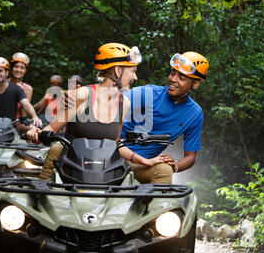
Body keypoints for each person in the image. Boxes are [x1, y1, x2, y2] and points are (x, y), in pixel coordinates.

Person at [26, 42, 164, 180]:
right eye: (133, 71)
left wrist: (143, 160)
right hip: (69, 172)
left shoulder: (125, 104)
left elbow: (115, 145)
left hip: (104, 174)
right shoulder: (83, 95)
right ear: (118, 70)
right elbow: (51, 128)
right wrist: (36, 134)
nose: (135, 78)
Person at [119, 51, 209, 184]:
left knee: (165, 170)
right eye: (173, 73)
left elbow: (190, 156)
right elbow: (113, 101)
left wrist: (175, 166)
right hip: (115, 155)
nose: (173, 79)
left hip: (143, 165)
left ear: (195, 84)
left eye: (182, 77)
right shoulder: (148, 94)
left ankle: (159, 204)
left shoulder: (194, 113)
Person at [8, 52, 35, 134]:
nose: (19, 70)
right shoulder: (2, 83)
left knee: (34, 131)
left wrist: (22, 94)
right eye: (16, 67)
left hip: (17, 124)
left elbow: (23, 114)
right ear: (11, 68)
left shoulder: (28, 89)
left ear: (25, 71)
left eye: (22, 68)